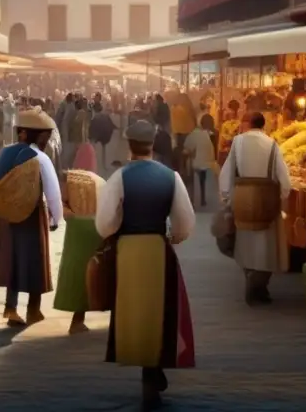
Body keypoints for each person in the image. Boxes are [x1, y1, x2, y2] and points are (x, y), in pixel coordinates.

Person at [96, 120, 196, 410]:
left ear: (129, 145)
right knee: (160, 311)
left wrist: (118, 230)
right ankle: (153, 371)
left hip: (128, 250)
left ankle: (147, 370)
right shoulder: (171, 177)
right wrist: (173, 237)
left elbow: (104, 224)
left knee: (133, 312)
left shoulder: (119, 177)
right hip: (157, 249)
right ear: (153, 144)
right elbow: (184, 223)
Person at [0, 109, 62, 327]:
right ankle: (34, 310)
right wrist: (55, 219)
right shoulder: (40, 158)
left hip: (8, 216)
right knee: (34, 261)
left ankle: (10, 308)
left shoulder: (5, 153)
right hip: (33, 214)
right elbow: (53, 192)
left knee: (12, 258)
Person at [219, 112, 291, 306]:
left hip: (242, 198)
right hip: (266, 199)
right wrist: (282, 197)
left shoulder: (238, 142)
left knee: (245, 244)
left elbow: (227, 172)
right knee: (267, 247)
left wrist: (227, 197)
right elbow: (284, 178)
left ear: (249, 123)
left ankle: (251, 279)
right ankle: (259, 286)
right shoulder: (272, 144)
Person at [52, 170, 104, 334]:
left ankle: (77, 320)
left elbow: (60, 205)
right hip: (98, 226)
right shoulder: (93, 182)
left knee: (79, 271)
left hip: (83, 228)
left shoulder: (71, 186)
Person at [183, 118, 216, 207]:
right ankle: (202, 199)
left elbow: (187, 149)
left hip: (196, 164)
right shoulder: (210, 135)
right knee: (202, 179)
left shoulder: (193, 134)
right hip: (209, 164)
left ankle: (191, 198)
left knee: (188, 169)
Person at [89, 102, 117, 174]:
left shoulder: (95, 118)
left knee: (93, 150)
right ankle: (103, 165)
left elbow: (92, 128)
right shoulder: (105, 116)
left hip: (96, 136)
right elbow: (112, 125)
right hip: (105, 136)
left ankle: (94, 167)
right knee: (103, 150)